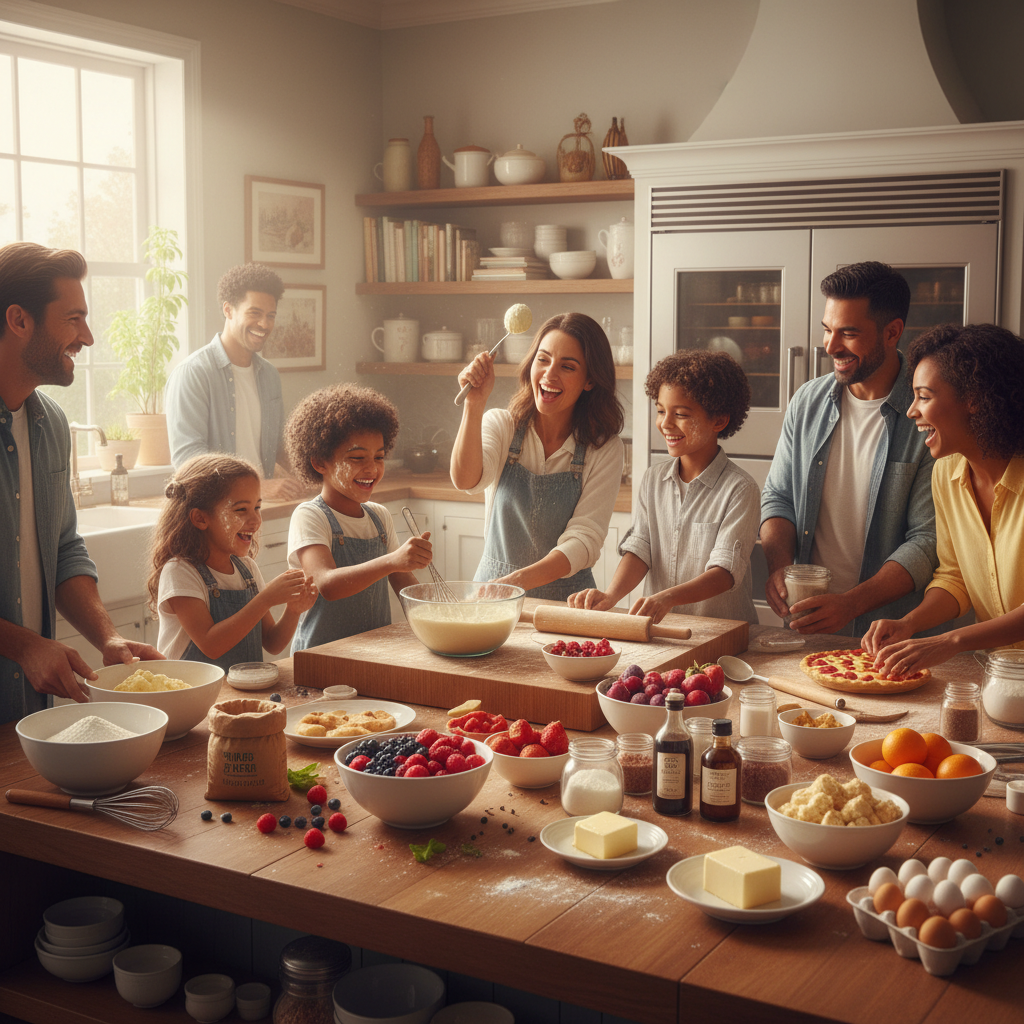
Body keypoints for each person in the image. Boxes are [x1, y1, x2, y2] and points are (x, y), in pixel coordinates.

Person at [0, 241, 162, 723]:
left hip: (25, 712)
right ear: (19, 320)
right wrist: (26, 646)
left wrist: (107, 638)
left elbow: (64, 549)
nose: (87, 337)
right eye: (73, 319)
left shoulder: (49, 423)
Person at [760, 261, 939, 636]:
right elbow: (778, 497)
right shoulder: (807, 401)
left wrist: (852, 603)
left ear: (893, 332)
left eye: (848, 333)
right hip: (810, 627)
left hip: (892, 636)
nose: (830, 346)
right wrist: (780, 567)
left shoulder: (928, 413)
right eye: (827, 330)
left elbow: (927, 539)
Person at [862, 323, 1024, 675]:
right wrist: (909, 623)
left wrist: (952, 641)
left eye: (925, 396)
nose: (912, 411)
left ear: (974, 399)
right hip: (1004, 677)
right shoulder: (946, 474)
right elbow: (954, 577)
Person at [568, 350, 759, 624]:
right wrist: (610, 596)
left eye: (680, 414)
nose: (666, 423)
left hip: (721, 633)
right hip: (661, 631)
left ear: (719, 420)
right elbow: (641, 550)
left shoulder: (740, 489)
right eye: (660, 411)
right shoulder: (653, 480)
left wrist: (667, 597)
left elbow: (725, 573)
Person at [450, 312, 624, 600]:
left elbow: (583, 540)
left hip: (566, 603)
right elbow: (467, 481)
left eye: (567, 367)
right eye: (542, 360)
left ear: (590, 380)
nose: (549, 374)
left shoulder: (604, 448)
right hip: (492, 598)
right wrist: (474, 404)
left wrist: (514, 583)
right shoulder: (502, 425)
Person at [285, 383, 432, 652]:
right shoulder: (310, 516)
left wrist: (444, 612)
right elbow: (327, 584)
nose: (372, 468)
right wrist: (393, 561)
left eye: (379, 457)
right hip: (321, 658)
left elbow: (406, 590)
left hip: (373, 656)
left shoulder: (379, 516)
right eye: (357, 458)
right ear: (320, 463)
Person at [149, 454, 317, 671]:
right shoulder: (180, 571)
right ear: (201, 518)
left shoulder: (246, 569)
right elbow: (211, 645)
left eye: (257, 507)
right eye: (241, 510)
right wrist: (266, 599)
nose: (256, 520)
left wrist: (293, 610)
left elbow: (273, 643)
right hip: (191, 697)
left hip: (239, 694)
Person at [165, 263, 305, 500]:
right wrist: (257, 487)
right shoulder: (193, 373)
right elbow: (188, 460)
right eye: (254, 313)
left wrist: (320, 476)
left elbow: (279, 446)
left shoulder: (269, 375)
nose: (264, 324)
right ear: (228, 310)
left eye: (270, 316)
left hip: (259, 506)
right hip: (214, 512)